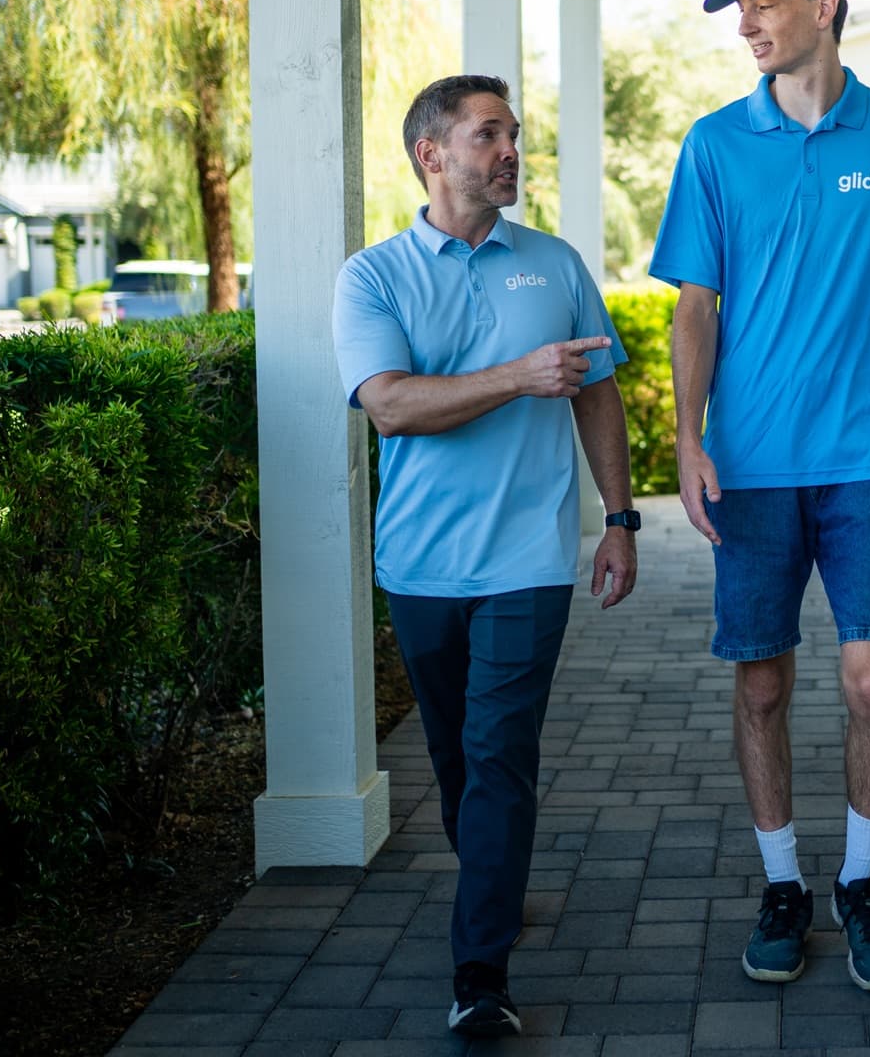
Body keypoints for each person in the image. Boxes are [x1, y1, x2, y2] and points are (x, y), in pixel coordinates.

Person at [649, 0, 870, 992]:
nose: (747, 21)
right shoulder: (715, 143)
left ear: (825, 4)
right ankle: (782, 879)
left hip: (865, 457)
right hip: (755, 462)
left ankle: (861, 880)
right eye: (739, 7)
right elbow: (695, 304)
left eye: (764, 2)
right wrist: (688, 441)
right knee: (763, 684)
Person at [333, 74, 640, 1037]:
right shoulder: (372, 277)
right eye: (490, 135)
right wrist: (516, 377)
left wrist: (622, 520)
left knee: (501, 754)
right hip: (420, 564)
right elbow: (388, 403)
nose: (512, 150)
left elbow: (595, 393)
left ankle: (480, 972)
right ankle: (493, 887)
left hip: (528, 559)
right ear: (433, 155)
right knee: (455, 761)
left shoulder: (554, 265)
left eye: (514, 134)